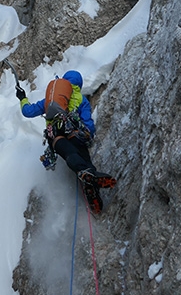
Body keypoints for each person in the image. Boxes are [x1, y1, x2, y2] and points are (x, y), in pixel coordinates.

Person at [15, 70, 111, 214]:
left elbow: (27, 111)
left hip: (55, 135)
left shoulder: (51, 99)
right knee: (83, 157)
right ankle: (92, 188)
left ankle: (84, 173)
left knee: (68, 153)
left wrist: (22, 97)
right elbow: (88, 124)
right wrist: (88, 135)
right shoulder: (81, 99)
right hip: (74, 133)